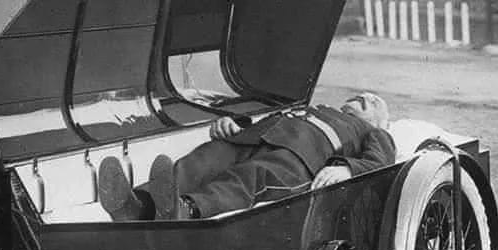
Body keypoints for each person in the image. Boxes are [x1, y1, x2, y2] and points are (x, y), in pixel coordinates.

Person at [98, 92, 395, 220]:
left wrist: (347, 169)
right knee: (201, 161)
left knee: (247, 178)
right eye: (363, 94)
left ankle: (186, 209)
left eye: (373, 102)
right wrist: (235, 125)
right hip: (252, 138)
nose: (366, 97)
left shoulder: (371, 132)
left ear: (380, 121)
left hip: (300, 160)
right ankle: (137, 205)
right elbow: (269, 120)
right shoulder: (316, 108)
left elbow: (381, 160)